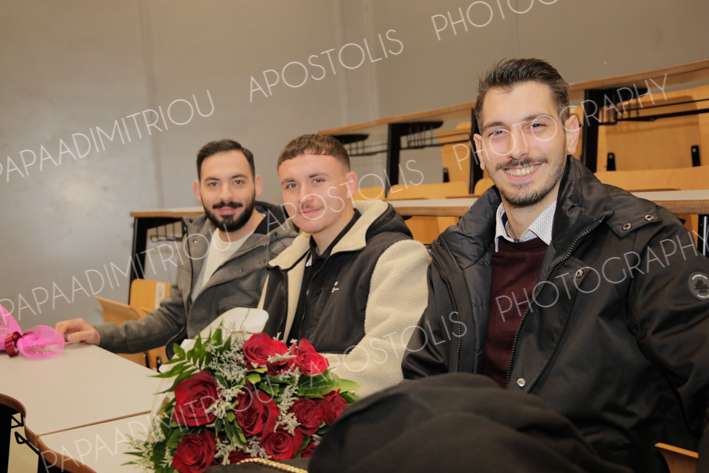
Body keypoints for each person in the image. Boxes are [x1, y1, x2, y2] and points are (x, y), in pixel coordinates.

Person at [402, 58, 709, 472]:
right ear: (479, 150)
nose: (517, 150)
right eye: (498, 133)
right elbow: (424, 383)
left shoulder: (643, 240)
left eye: (536, 126)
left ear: (571, 133)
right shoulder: (457, 253)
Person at [56, 139, 295, 354]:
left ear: (257, 185)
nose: (226, 195)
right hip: (192, 373)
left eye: (238, 182)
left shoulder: (287, 248)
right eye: (213, 184)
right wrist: (101, 335)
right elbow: (174, 317)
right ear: (198, 191)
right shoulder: (196, 237)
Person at [260, 134, 430, 397]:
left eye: (317, 180)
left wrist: (287, 382)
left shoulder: (398, 257)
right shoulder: (283, 266)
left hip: (368, 417)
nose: (303, 197)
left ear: (350, 184)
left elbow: (384, 368)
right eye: (291, 185)